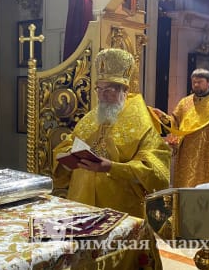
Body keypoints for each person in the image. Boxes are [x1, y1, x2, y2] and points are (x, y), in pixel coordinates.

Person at [52, 48, 171, 218]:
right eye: (99, 89)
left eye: (109, 90)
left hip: (119, 207)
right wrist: (68, 155)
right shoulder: (92, 117)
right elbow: (67, 144)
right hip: (81, 202)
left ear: (125, 91)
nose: (102, 96)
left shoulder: (143, 125)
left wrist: (112, 167)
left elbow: (155, 172)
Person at [153, 68, 209, 188]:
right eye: (194, 82)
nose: (196, 85)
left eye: (200, 82)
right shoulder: (184, 103)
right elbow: (174, 123)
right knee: (187, 188)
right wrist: (162, 116)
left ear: (208, 83)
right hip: (188, 154)